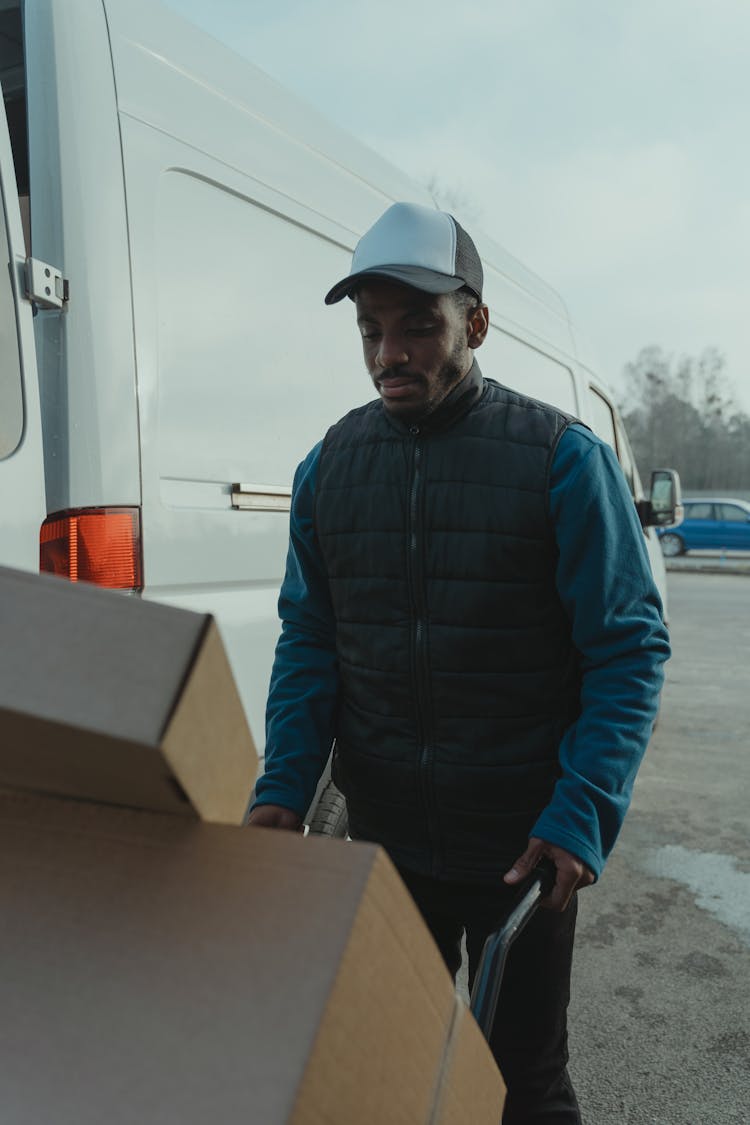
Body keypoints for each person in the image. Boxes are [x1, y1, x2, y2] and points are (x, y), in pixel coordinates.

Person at [249, 201, 670, 1123]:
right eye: (371, 330)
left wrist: (580, 815)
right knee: (385, 1067)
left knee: (519, 1081)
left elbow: (628, 649)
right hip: (386, 842)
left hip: (525, 849)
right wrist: (282, 787)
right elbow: (310, 642)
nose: (388, 353)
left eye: (417, 326)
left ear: (474, 323)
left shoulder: (561, 460)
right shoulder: (329, 468)